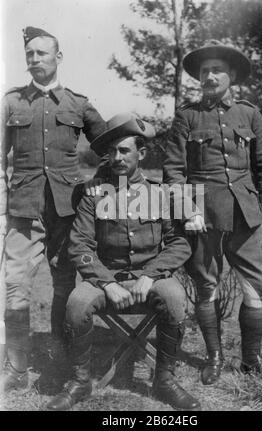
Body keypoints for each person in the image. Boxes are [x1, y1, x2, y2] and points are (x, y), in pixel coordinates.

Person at [46, 112, 201, 411]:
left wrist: (152, 275)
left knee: (174, 297)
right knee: (78, 303)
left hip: (150, 277)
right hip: (106, 277)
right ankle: (80, 381)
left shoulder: (159, 193)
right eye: (111, 151)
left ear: (141, 153)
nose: (116, 157)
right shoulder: (94, 194)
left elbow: (180, 243)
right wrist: (104, 281)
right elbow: (80, 245)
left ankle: (164, 380)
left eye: (124, 150)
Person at [163, 40, 262, 385]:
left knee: (257, 288)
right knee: (206, 286)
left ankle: (251, 360)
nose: (209, 76)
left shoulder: (249, 113)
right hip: (203, 215)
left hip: (247, 213)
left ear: (231, 75)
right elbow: (174, 171)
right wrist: (187, 211)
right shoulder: (187, 115)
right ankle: (213, 357)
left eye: (217, 70)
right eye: (204, 71)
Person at [0, 27, 106, 392]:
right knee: (15, 286)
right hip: (23, 210)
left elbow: (109, 147)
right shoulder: (11, 102)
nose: (34, 60)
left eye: (41, 53)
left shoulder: (77, 103)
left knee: (64, 285)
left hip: (67, 210)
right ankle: (15, 367)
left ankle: (61, 360)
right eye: (29, 54)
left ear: (58, 58)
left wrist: (95, 193)